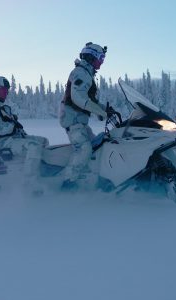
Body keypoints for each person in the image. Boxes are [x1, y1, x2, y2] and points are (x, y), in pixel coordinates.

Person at [0, 75, 49, 194]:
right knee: (34, 147)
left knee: (43, 141)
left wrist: (15, 127)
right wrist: (12, 126)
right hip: (1, 143)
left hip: (11, 139)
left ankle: (39, 170)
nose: (5, 93)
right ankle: (30, 183)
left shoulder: (0, 107)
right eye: (2, 90)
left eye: (6, 90)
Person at [59, 42, 110, 191]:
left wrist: (104, 110)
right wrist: (101, 112)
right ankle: (67, 183)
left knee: (99, 146)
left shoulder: (86, 73)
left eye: (103, 59)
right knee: (85, 149)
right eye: (100, 58)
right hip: (73, 122)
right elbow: (79, 98)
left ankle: (95, 179)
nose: (101, 62)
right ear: (91, 56)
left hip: (80, 122)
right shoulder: (81, 73)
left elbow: (90, 100)